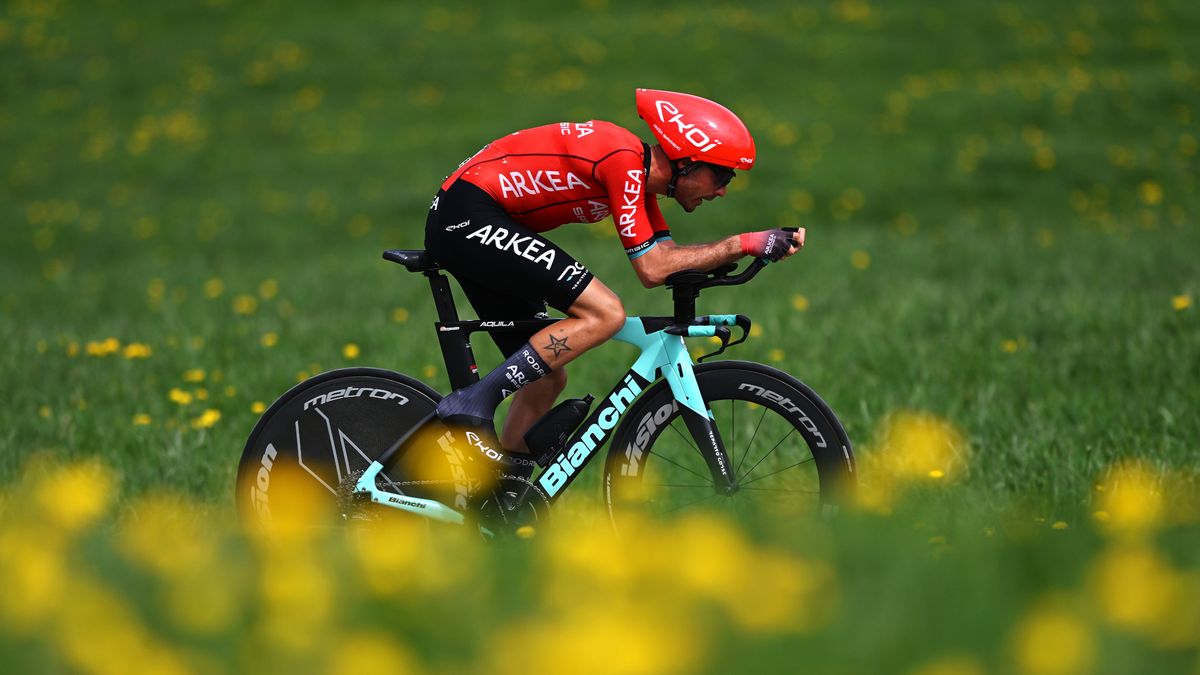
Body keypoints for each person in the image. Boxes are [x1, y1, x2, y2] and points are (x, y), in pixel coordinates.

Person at [424, 88, 804, 477]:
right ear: (686, 161)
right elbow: (653, 269)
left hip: (479, 219)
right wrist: (740, 243)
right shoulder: (622, 161)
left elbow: (671, 262)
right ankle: (473, 402)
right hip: (469, 213)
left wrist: (744, 253)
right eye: (721, 175)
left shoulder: (640, 180)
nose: (723, 189)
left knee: (546, 377)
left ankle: (500, 497)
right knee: (606, 313)